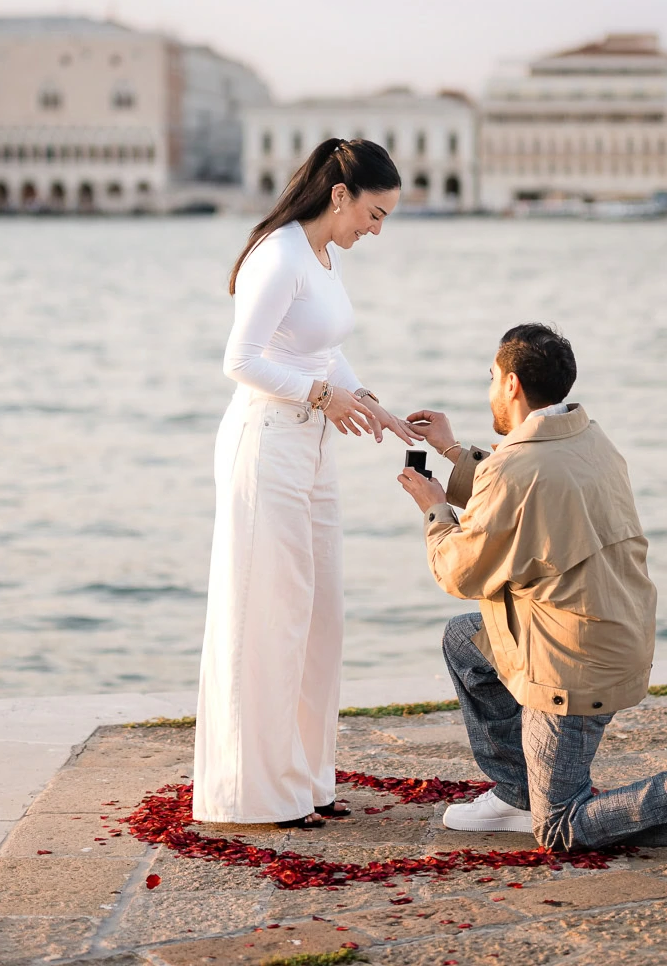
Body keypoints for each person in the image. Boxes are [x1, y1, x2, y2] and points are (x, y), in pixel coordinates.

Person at [398, 323, 667, 863]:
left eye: (489, 379)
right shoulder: (586, 436)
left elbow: (460, 572)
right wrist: (453, 450)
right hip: (612, 633)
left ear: (510, 384)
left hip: (570, 664)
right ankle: (515, 792)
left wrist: (434, 508)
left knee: (560, 828)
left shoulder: (519, 467)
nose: (489, 391)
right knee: (466, 642)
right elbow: (522, 490)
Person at [194, 137, 418, 828]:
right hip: (268, 446)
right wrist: (323, 396)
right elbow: (242, 359)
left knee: (320, 619)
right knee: (272, 617)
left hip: (314, 451)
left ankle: (306, 780)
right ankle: (254, 794)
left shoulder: (320, 257)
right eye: (374, 215)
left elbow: (322, 347)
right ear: (341, 194)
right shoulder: (281, 253)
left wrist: (366, 399)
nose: (375, 231)